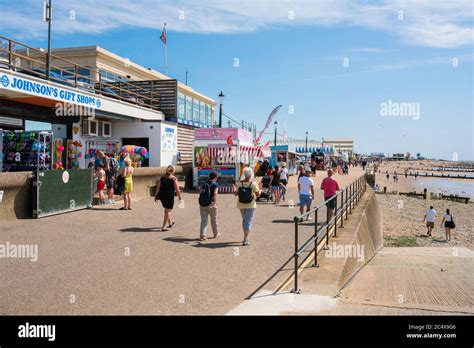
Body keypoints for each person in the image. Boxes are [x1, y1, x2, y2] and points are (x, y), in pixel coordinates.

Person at [233, 167, 260, 246]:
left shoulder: (240, 183)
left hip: (241, 204)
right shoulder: (253, 184)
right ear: (251, 174)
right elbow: (258, 195)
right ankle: (245, 239)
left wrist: (234, 188)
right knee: (248, 221)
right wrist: (260, 189)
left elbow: (236, 194)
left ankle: (245, 237)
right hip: (250, 204)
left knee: (244, 220)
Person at [155, 165, 182, 231]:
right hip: (169, 196)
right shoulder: (173, 179)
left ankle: (170, 223)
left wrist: (156, 196)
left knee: (166, 210)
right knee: (167, 211)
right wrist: (180, 197)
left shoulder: (162, 178)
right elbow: (177, 189)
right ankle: (164, 227)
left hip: (162, 196)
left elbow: (158, 187)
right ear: (173, 171)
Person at [198, 171, 220, 241]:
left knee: (204, 221)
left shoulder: (204, 183)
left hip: (203, 204)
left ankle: (202, 236)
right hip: (211, 204)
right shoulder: (215, 185)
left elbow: (200, 192)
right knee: (214, 220)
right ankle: (215, 234)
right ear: (215, 178)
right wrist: (215, 203)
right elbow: (215, 194)